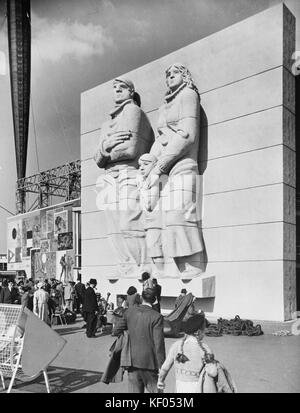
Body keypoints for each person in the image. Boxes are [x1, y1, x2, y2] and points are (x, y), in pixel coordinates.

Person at [148, 63, 204, 277]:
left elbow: (187, 134)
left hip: (182, 163)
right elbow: (161, 138)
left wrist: (161, 164)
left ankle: (193, 264)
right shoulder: (164, 107)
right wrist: (151, 162)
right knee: (166, 220)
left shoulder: (188, 95)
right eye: (167, 74)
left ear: (185, 75)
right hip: (164, 169)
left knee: (180, 214)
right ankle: (179, 266)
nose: (170, 77)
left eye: (174, 73)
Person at [94, 76, 154, 275]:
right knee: (113, 228)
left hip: (128, 172)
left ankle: (143, 266)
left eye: (122, 87)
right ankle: (126, 265)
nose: (117, 90)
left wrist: (105, 153)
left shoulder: (133, 112)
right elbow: (97, 159)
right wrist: (108, 145)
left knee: (130, 221)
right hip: (109, 177)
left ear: (131, 91)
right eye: (115, 88)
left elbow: (130, 150)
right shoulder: (107, 125)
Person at [113, 288, 166, 393]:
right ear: (155, 299)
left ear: (141, 298)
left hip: (132, 360)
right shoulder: (157, 316)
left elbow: (116, 330)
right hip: (150, 363)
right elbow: (158, 343)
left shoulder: (129, 312)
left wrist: (128, 334)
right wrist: (162, 365)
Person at [157, 312, 213, 393]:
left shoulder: (177, 345)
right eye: (204, 330)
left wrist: (160, 382)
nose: (205, 333)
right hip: (198, 388)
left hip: (180, 387)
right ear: (199, 332)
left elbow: (165, 368)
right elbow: (212, 372)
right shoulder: (205, 348)